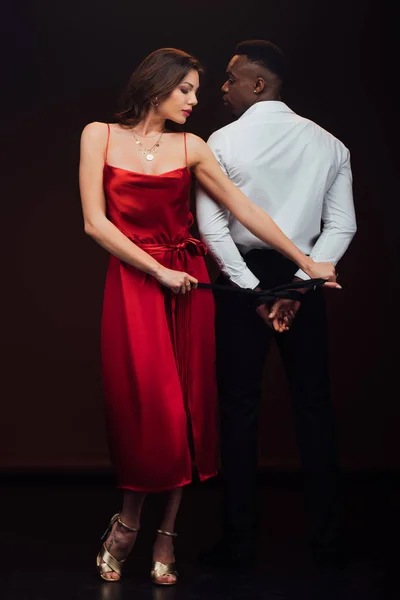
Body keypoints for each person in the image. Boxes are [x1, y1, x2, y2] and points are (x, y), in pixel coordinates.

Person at [79, 47, 338, 585]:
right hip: (138, 282)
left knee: (186, 409)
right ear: (157, 86)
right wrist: (157, 270)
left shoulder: (192, 145)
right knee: (145, 408)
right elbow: (96, 225)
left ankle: (167, 532)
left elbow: (245, 210)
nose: (198, 100)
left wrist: (304, 261)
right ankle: (128, 522)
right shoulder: (97, 135)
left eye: (199, 89)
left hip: (190, 281)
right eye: (187, 90)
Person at [196, 40, 356, 570]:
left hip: (243, 282)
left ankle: (238, 544)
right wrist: (294, 286)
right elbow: (342, 227)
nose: (221, 88)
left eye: (229, 78)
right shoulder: (330, 145)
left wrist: (253, 291)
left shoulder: (218, 142)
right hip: (304, 280)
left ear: (258, 84)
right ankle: (330, 543)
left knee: (238, 409)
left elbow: (213, 229)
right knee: (315, 407)